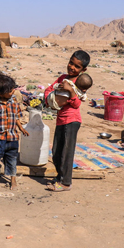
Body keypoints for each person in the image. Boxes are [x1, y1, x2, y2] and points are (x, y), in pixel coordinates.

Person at [44, 50, 91, 192]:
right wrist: (48, 97)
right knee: (56, 151)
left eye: (77, 66)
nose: (72, 67)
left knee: (66, 152)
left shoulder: (81, 82)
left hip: (72, 121)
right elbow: (48, 89)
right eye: (71, 63)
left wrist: (70, 91)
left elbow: (76, 104)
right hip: (61, 120)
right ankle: (60, 177)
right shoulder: (63, 78)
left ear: (83, 70)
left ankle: (66, 183)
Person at [0, 74, 29, 190]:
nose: (13, 91)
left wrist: (21, 128)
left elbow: (16, 116)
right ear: (0, 92)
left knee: (12, 159)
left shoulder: (13, 101)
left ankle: (13, 179)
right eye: (10, 90)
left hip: (12, 137)